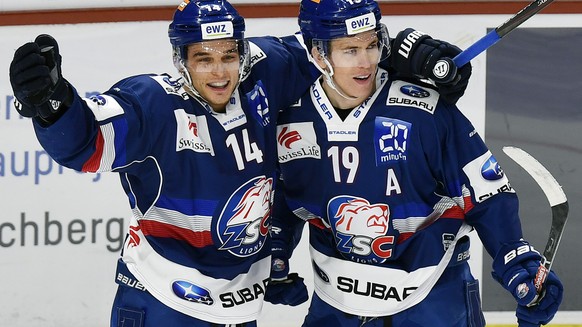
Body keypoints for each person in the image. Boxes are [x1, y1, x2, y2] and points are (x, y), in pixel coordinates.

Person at [8, 0, 472, 326]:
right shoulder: (151, 103)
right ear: (181, 61)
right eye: (203, 59)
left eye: (229, 55)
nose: (219, 71)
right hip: (162, 303)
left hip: (238, 311)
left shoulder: (269, 69)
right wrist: (51, 106)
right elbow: (84, 145)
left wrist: (414, 50)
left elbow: (342, 38)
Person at [265, 0, 564, 326]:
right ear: (319, 54)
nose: (366, 62)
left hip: (434, 301)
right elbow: (284, 192)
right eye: (350, 50)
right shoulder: (289, 117)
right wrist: (276, 250)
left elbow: (484, 191)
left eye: (372, 44)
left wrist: (514, 255)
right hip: (337, 305)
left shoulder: (422, 110)